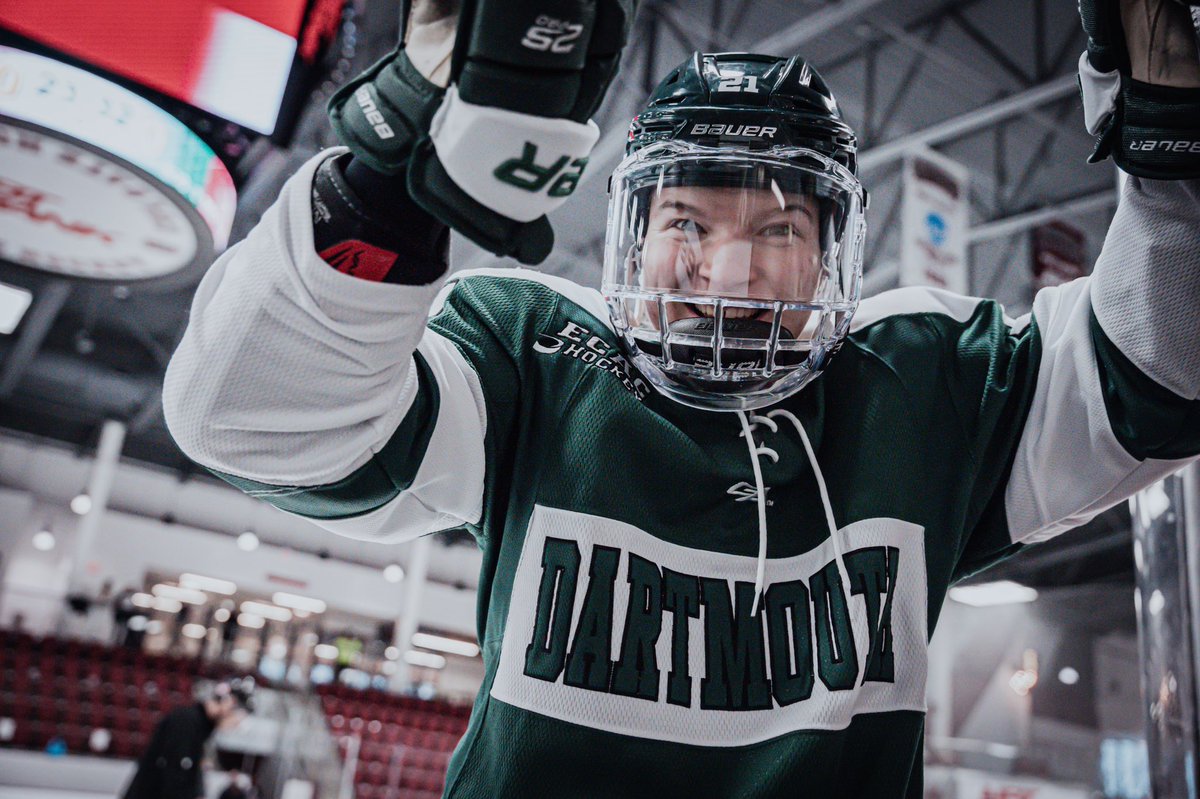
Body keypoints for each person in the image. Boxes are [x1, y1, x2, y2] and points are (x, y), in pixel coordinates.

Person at [162, 0, 1200, 796]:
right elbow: (255, 423)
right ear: (635, 232)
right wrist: (384, 184)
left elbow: (1160, 376)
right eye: (690, 223)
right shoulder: (536, 346)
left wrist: (1174, 162)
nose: (732, 271)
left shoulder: (928, 380)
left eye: (782, 230)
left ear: (836, 252)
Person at [120, 679, 254, 799]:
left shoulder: (201, 728)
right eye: (238, 718)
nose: (236, 725)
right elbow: (175, 777)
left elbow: (191, 775)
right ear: (229, 703)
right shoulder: (186, 721)